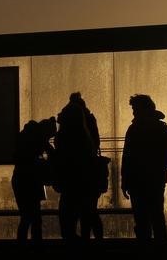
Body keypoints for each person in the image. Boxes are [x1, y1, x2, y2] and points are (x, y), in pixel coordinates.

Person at [120, 94, 167, 247]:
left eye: (135, 109)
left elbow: (127, 157)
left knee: (141, 219)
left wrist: (125, 181)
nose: (133, 112)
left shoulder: (134, 129)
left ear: (142, 109)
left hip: (137, 181)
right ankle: (160, 250)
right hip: (156, 180)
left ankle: (144, 249)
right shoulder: (161, 128)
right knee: (157, 216)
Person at [52, 92, 99, 243]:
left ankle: (74, 244)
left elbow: (59, 157)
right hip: (87, 180)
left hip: (69, 183)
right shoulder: (86, 134)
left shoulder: (63, 136)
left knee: (68, 219)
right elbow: (95, 146)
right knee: (89, 214)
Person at [11, 117, 56, 246]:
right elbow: (50, 153)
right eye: (49, 136)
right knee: (33, 218)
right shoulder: (37, 140)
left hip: (22, 180)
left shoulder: (28, 136)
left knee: (27, 217)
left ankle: (25, 246)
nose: (48, 139)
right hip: (29, 181)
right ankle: (35, 245)